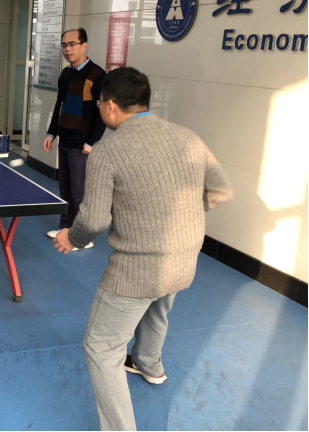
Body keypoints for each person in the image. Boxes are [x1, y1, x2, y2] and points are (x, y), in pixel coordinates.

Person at [53, 67, 234, 431]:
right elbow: (221, 191)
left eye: (100, 103)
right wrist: (183, 213)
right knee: (157, 304)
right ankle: (148, 363)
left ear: (110, 106)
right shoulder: (187, 137)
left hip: (137, 270)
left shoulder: (108, 150)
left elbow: (94, 220)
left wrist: (70, 238)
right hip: (184, 260)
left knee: (101, 348)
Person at [44, 28, 106, 250]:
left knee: (80, 192)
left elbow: (102, 113)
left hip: (83, 144)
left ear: (84, 45)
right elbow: (59, 105)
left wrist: (91, 142)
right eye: (64, 45)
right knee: (66, 188)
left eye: (72, 44)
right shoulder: (65, 74)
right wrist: (52, 132)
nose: (67, 49)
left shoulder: (98, 76)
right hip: (65, 139)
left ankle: (81, 236)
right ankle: (65, 228)